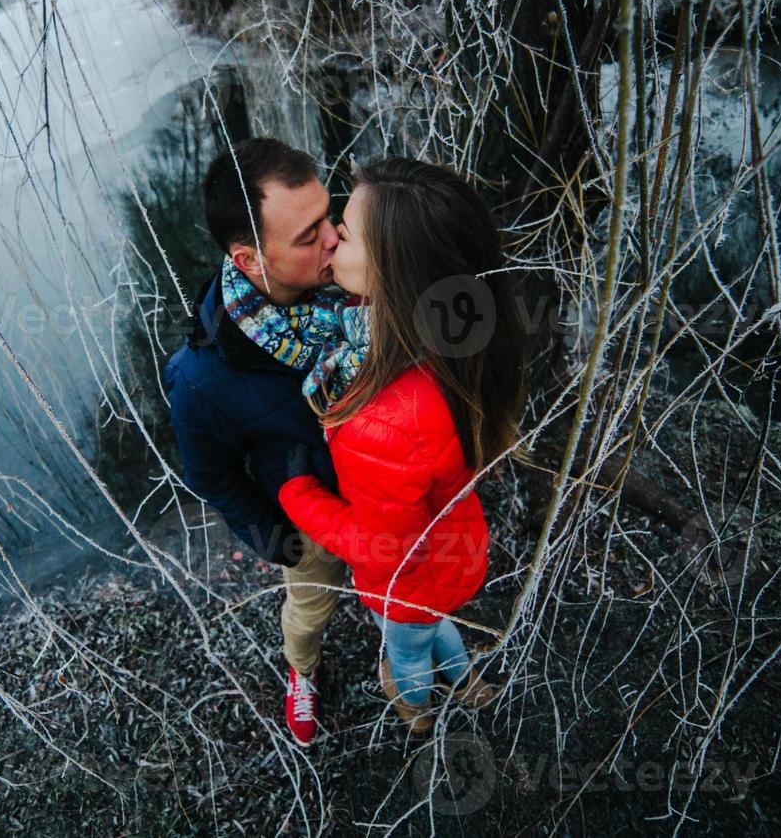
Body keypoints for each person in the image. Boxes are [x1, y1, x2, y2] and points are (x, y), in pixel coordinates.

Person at [277, 157, 527, 734]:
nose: (331, 238)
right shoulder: (453, 344)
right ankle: (466, 683)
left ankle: (415, 709)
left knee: (407, 648)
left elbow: (382, 548)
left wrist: (298, 493)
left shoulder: (388, 417)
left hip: (408, 578)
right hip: (453, 548)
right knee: (435, 624)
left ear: (397, 270)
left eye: (348, 231)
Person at [161, 138, 348, 747]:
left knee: (399, 591)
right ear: (249, 260)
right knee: (309, 611)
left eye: (330, 215)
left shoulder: (360, 280)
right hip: (312, 517)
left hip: (388, 495)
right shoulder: (201, 378)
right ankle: (302, 671)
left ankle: (416, 653)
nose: (334, 239)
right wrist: (277, 541)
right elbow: (214, 478)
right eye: (307, 235)